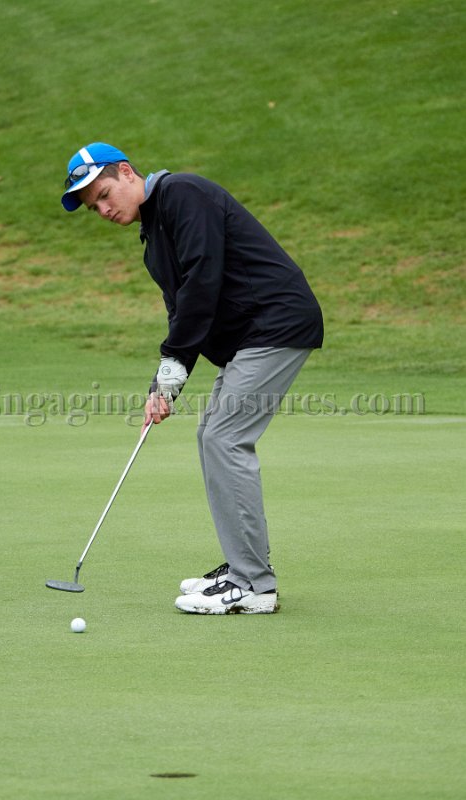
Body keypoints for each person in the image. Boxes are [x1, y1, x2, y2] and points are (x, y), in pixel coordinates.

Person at [61, 141, 324, 615]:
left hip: (276, 323)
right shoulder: (153, 244)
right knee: (211, 436)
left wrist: (172, 363)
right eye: (93, 207)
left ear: (126, 172)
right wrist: (164, 385)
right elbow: (183, 313)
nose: (102, 209)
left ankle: (253, 584)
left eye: (103, 194)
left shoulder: (183, 194)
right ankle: (243, 566)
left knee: (225, 438)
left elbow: (205, 278)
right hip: (250, 337)